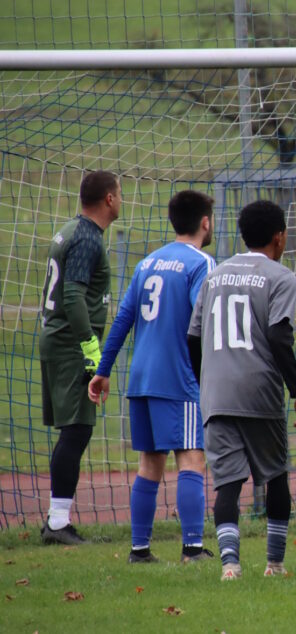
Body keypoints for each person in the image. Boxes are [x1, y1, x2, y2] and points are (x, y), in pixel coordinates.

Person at [187, 200, 296, 580]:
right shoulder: (280, 277)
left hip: (217, 395)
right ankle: (274, 564)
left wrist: (206, 381)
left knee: (227, 482)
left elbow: (193, 337)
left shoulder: (215, 276)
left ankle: (230, 565)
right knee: (275, 475)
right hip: (259, 391)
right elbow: (278, 335)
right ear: (280, 237)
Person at [88, 190, 216, 563]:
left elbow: (123, 319)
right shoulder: (201, 263)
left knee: (150, 463)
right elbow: (202, 321)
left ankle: (140, 550)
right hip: (179, 376)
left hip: (140, 378)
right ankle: (193, 548)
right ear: (205, 222)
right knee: (191, 458)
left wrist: (103, 370)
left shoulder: (147, 263)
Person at [39, 170, 122, 545]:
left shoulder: (70, 230)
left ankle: (57, 520)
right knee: (77, 429)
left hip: (56, 340)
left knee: (74, 430)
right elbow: (72, 296)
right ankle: (57, 524)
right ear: (109, 199)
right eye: (119, 194)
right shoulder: (87, 238)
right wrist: (91, 350)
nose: (121, 200)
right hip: (70, 345)